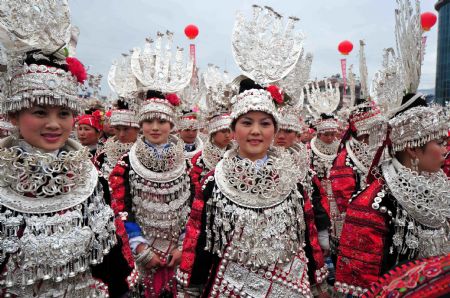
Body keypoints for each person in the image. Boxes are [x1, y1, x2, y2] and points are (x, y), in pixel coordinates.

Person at [0, 5, 136, 294]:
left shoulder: (90, 178)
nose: (54, 124)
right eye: (39, 112)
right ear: (14, 115)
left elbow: (108, 254)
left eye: (63, 113)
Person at [177, 79, 328, 297]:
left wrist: (317, 283)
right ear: (233, 130)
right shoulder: (214, 182)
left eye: (265, 124)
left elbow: (307, 235)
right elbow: (198, 240)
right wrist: (191, 287)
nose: (256, 131)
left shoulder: (292, 181)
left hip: (289, 285)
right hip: (231, 287)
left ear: (275, 130)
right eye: (247, 123)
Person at [334, 94, 450, 296]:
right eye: (440, 143)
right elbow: (363, 288)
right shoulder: (373, 204)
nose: (445, 151)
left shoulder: (438, 186)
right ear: (413, 148)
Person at [109, 90, 191, 297]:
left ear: (171, 125)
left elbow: (193, 208)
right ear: (140, 124)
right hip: (140, 251)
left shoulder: (186, 163)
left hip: (177, 251)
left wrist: (183, 245)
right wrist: (139, 247)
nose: (155, 128)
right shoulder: (126, 164)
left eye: (162, 121)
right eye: (149, 121)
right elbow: (120, 208)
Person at [328, 102, 385, 251]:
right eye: (372, 133)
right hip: (355, 227)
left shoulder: (376, 151)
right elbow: (343, 199)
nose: (377, 136)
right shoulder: (345, 158)